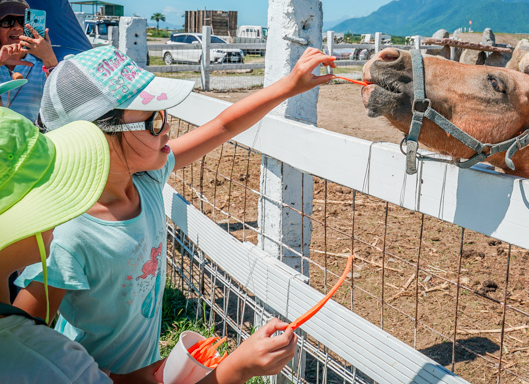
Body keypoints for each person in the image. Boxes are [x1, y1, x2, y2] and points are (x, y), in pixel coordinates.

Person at [14, 45, 334, 374]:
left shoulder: (147, 179)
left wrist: (289, 86)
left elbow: (224, 126)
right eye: (154, 120)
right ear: (100, 140)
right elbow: (20, 344)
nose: (167, 127)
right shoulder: (67, 236)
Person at [0, 107, 299, 383]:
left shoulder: (33, 349)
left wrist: (130, 379)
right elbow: (35, 340)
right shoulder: (48, 360)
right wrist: (239, 368)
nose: (62, 208)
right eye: (48, 192)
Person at [0, 0, 59, 122]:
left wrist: (50, 59)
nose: (17, 27)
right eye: (6, 22)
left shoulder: (43, 68)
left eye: (23, 21)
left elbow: (64, 103)